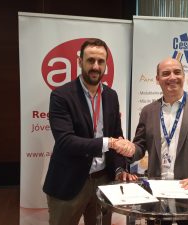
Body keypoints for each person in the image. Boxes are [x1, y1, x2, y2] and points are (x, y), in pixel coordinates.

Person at [118, 57, 188, 225]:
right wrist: (129, 150)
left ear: (184, 76)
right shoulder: (148, 112)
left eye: (177, 72)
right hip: (156, 194)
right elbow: (140, 147)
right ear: (157, 79)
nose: (172, 77)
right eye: (165, 73)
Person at [43, 38, 136, 225]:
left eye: (101, 61)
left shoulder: (111, 95)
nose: (95, 66)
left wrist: (119, 169)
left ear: (105, 65)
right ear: (79, 62)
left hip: (103, 180)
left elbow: (117, 135)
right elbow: (66, 141)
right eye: (90, 60)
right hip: (69, 182)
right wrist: (109, 142)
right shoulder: (61, 96)